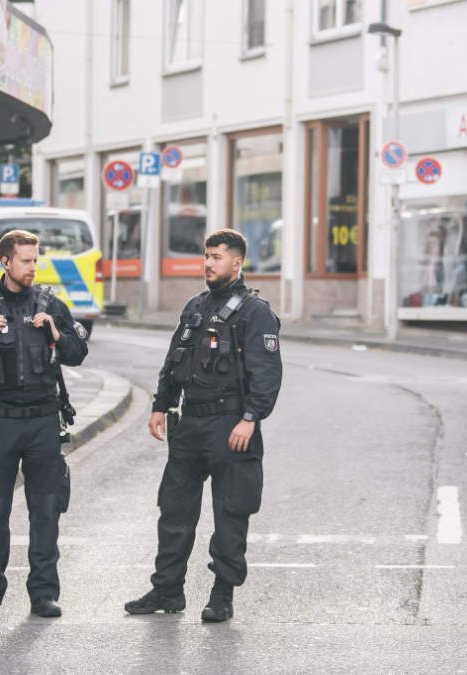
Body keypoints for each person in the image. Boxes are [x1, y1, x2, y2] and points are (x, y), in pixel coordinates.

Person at [125, 229, 283, 623]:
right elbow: (172, 359)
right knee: (174, 509)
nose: (208, 263)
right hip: (190, 422)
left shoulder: (254, 311)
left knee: (231, 512)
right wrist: (160, 405)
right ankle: (167, 591)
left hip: (231, 424)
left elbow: (268, 374)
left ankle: (222, 595)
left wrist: (251, 418)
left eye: (216, 257)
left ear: (236, 262)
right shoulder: (196, 306)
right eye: (207, 256)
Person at [0, 230, 89, 620]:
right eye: (26, 260)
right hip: (1, 424)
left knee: (45, 512)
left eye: (35, 259)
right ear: (6, 262)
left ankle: (43, 594)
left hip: (44, 422)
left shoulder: (49, 304)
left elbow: (78, 353)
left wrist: (56, 333)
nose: (33, 267)